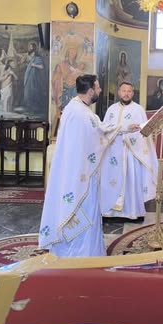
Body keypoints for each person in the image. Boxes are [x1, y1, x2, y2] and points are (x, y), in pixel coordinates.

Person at [39, 74, 120, 257]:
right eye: (97, 88)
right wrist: (119, 130)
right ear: (90, 91)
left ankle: (77, 251)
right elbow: (100, 137)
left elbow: (97, 132)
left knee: (79, 212)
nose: (100, 90)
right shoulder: (81, 113)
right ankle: (82, 254)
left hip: (75, 170)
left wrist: (120, 129)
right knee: (84, 212)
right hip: (81, 175)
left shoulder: (74, 108)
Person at [100, 82, 158, 220]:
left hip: (131, 152)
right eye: (124, 91)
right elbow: (105, 129)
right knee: (111, 180)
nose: (126, 94)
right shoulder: (111, 109)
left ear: (133, 93)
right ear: (119, 92)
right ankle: (110, 212)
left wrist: (130, 135)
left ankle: (132, 212)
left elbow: (143, 132)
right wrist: (123, 130)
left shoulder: (138, 110)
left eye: (129, 91)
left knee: (131, 181)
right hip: (113, 152)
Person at [23, 42, 47, 114]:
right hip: (28, 79)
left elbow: (41, 67)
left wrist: (34, 65)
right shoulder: (32, 59)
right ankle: (28, 109)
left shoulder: (37, 58)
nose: (30, 50)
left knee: (32, 93)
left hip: (33, 80)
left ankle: (33, 110)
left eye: (31, 48)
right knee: (27, 93)